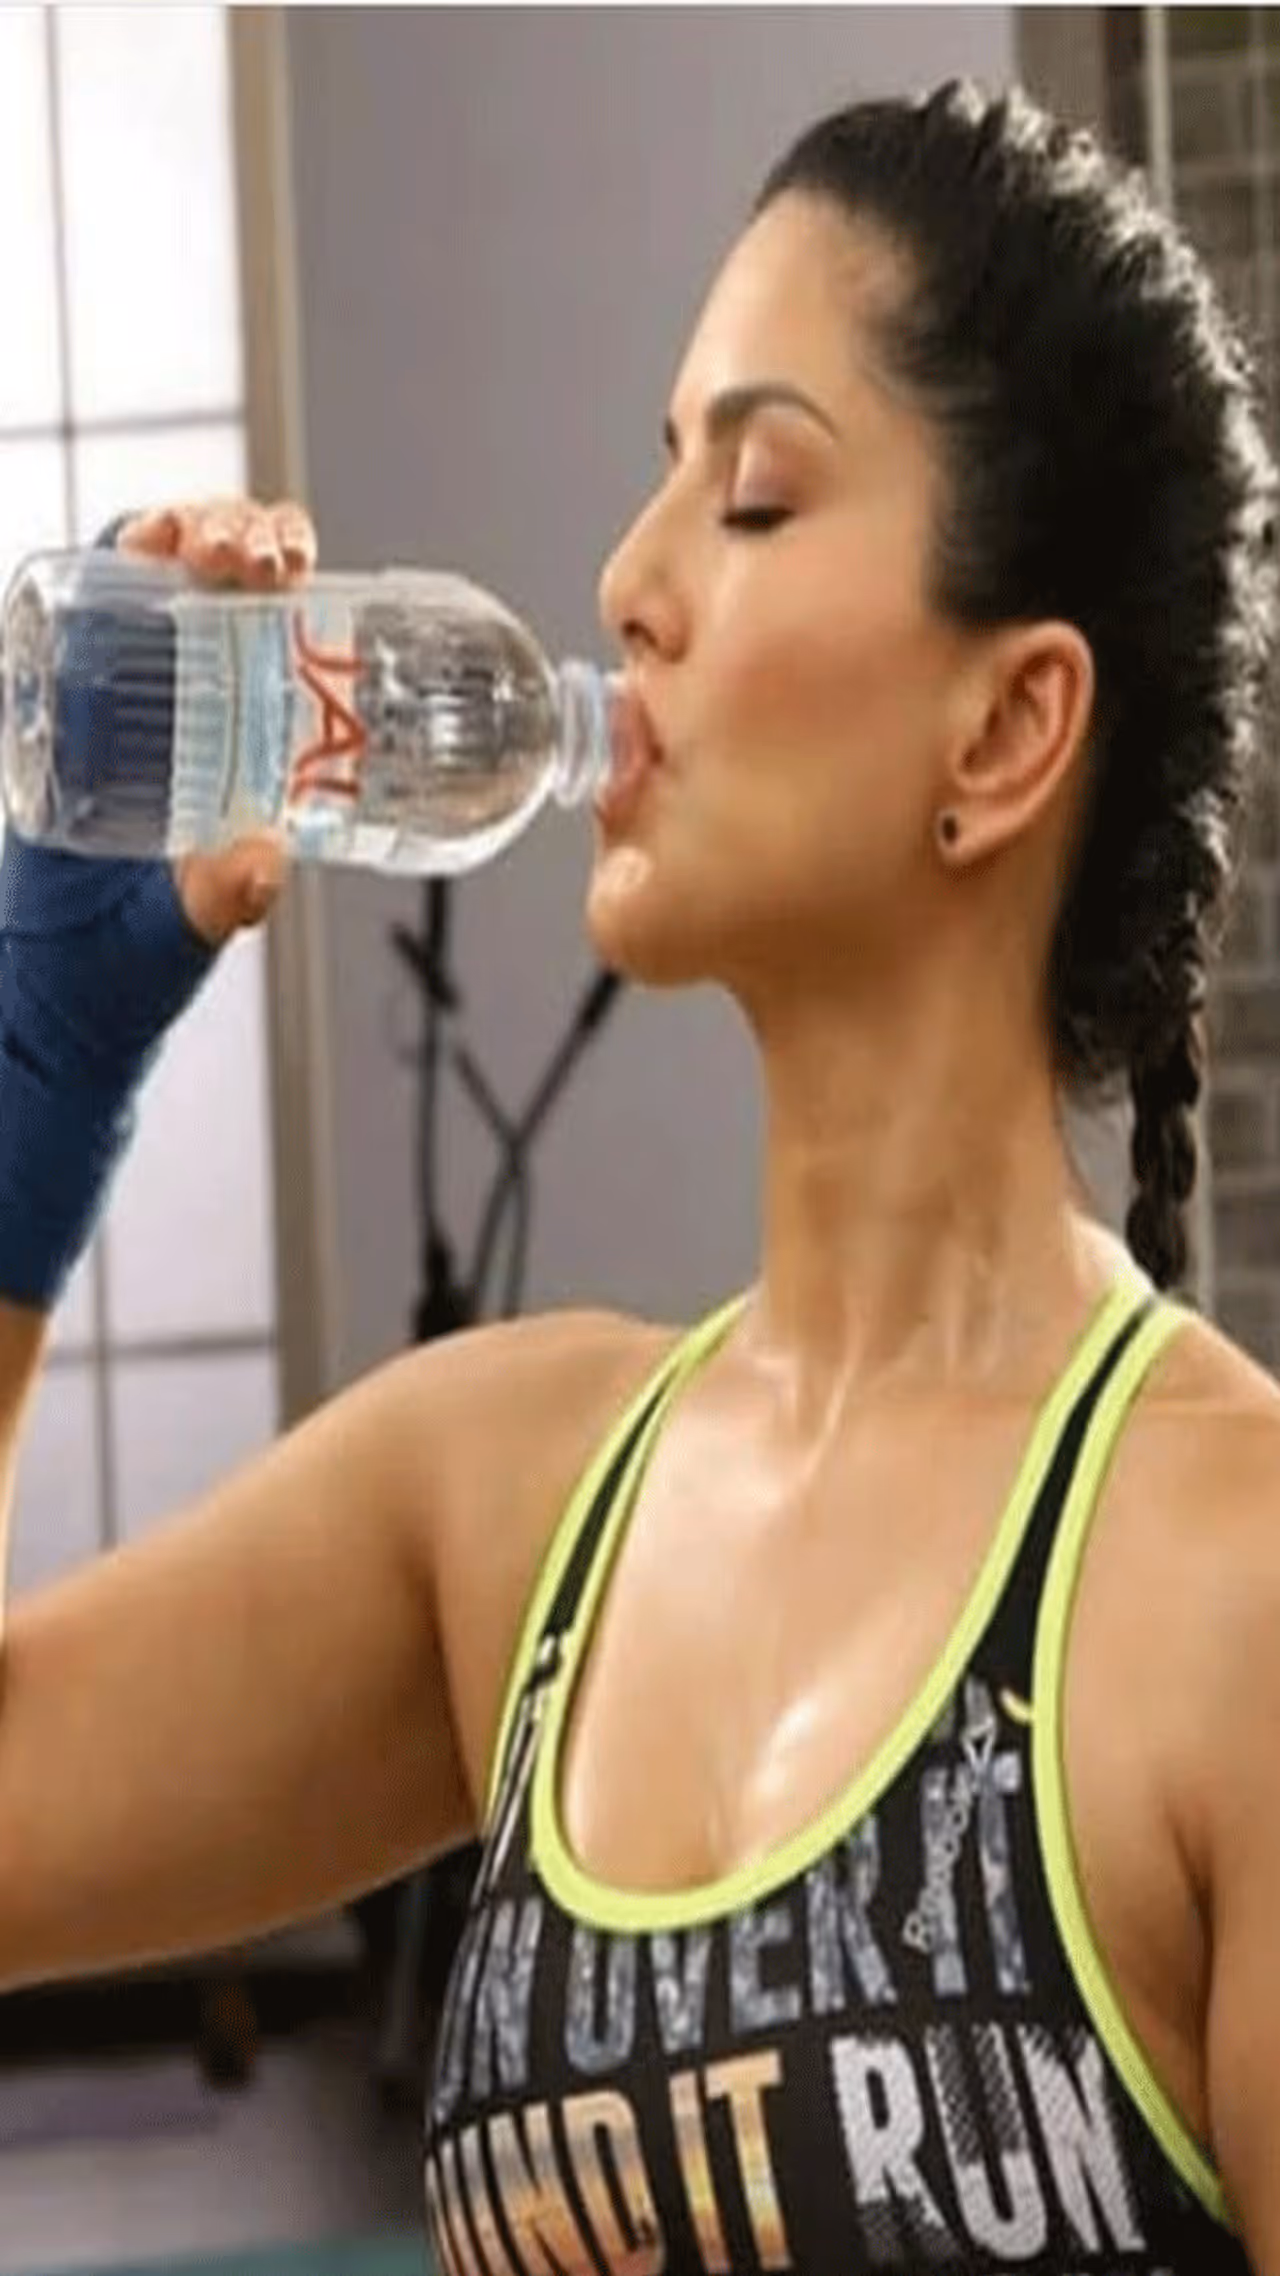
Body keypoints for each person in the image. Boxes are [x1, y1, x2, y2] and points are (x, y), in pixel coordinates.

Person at [0, 73, 1277, 2274]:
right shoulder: (502, 1507)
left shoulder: (1230, 1594)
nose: (624, 582)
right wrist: (38, 1081)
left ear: (1004, 731)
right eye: (662, 465)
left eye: (753, 496)